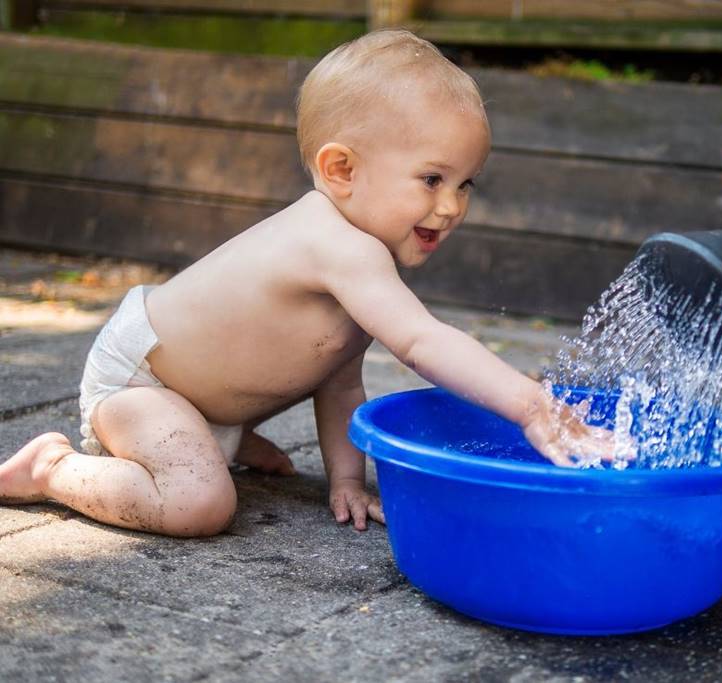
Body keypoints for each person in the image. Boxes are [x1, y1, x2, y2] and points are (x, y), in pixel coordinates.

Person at [0, 29, 618, 537]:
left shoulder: (359, 256)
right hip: (142, 380)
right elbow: (423, 343)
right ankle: (53, 468)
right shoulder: (333, 244)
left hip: (196, 391)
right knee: (198, 504)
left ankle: (224, 434)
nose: (452, 206)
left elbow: (339, 378)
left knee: (289, 409)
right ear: (342, 169)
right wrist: (530, 404)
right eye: (432, 179)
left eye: (465, 184)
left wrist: (345, 480)